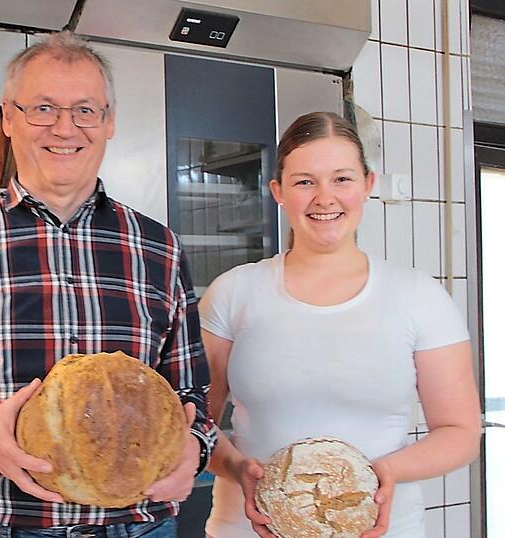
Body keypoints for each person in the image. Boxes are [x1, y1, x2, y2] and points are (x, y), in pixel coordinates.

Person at [0, 30, 216, 537]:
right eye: (43, 108)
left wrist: (194, 449)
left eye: (85, 110)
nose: (65, 128)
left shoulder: (158, 248)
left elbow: (192, 394)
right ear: (9, 118)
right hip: (2, 526)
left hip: (139, 527)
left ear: (109, 121)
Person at [200, 112, 481, 538]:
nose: (324, 198)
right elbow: (191, 425)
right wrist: (238, 467)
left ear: (368, 184)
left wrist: (385, 471)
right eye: (304, 181)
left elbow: (460, 431)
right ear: (278, 190)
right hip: (245, 528)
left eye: (342, 179)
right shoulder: (234, 293)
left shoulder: (419, 297)